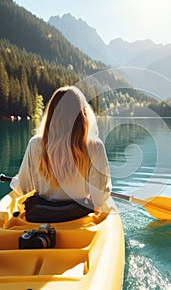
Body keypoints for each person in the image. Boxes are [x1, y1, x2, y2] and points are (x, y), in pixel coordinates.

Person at [11, 86, 112, 221]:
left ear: (51, 114)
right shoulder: (95, 146)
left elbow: (24, 189)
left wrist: (15, 182)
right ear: (82, 115)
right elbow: (99, 199)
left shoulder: (35, 144)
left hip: (41, 215)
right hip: (77, 217)